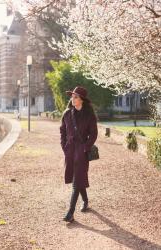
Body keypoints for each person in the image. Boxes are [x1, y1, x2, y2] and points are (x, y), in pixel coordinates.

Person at [60, 86, 98, 222]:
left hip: (82, 151)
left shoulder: (89, 115)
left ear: (81, 100)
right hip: (70, 150)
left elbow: (94, 134)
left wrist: (85, 147)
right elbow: (62, 132)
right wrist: (64, 147)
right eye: (72, 96)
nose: (73, 99)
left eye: (76, 97)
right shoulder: (67, 114)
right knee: (77, 177)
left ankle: (70, 212)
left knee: (77, 180)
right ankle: (86, 200)